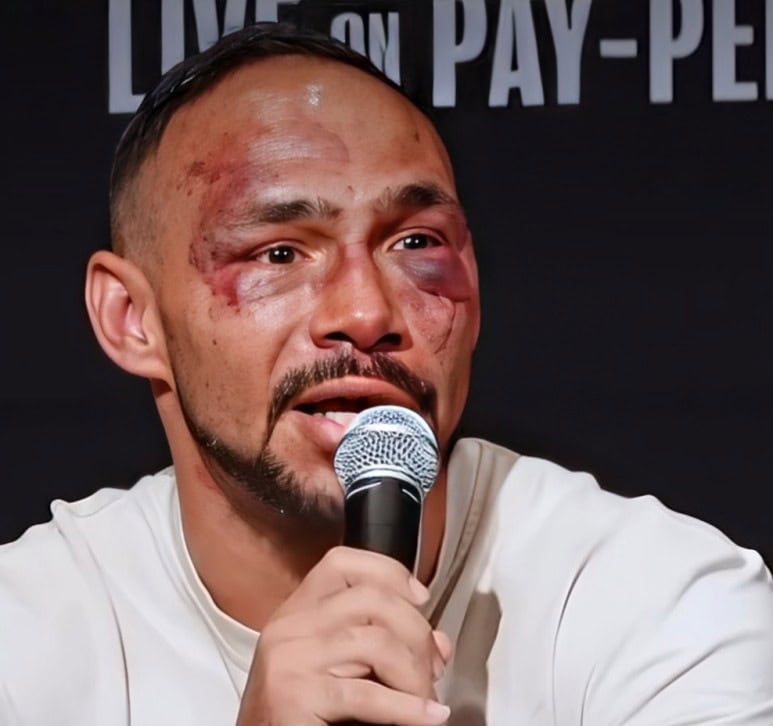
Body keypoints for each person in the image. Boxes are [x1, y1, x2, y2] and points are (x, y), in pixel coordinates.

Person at [1, 22, 772, 725]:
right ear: (132, 320)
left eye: (413, 242)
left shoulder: (661, 600)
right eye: (278, 253)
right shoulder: (28, 635)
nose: (367, 313)